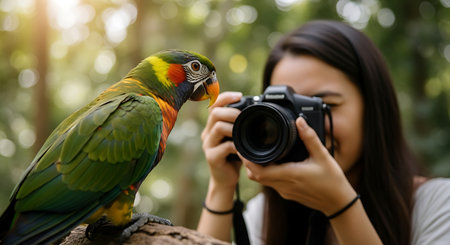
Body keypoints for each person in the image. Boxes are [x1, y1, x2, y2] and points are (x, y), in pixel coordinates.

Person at [196, 20, 450, 245]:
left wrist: (340, 207)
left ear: (374, 109)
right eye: (283, 108)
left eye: (321, 106)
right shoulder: (264, 214)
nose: (298, 125)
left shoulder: (437, 206)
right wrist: (221, 186)